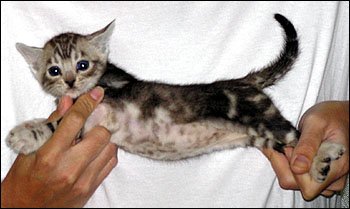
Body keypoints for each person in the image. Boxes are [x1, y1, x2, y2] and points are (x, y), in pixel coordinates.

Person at [1, 1, 349, 207]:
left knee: (264, 129)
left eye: (80, 67)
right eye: (56, 71)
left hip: (207, 112)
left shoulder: (104, 93)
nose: (72, 81)